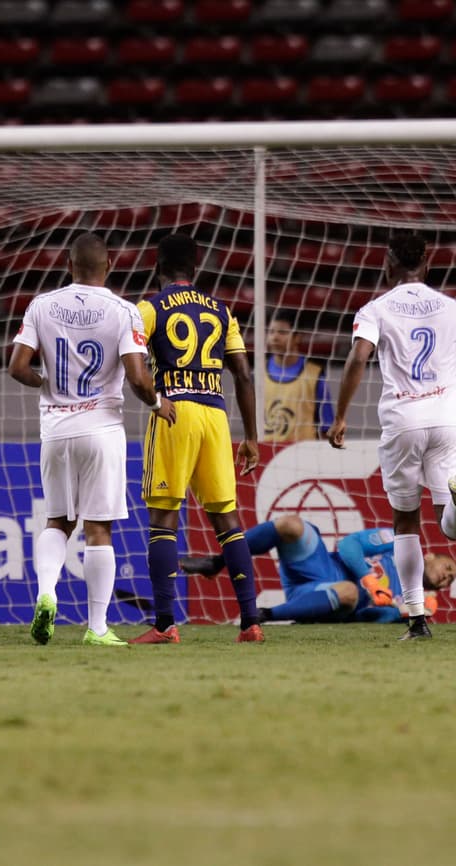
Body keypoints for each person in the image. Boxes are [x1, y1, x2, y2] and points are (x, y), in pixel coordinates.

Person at [9, 232, 177, 647]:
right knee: (99, 529)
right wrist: (158, 403)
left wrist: (44, 382)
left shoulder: (41, 305)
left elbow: (16, 367)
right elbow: (138, 377)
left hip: (56, 430)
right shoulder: (124, 311)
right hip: (102, 429)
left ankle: (47, 593)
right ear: (109, 267)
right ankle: (97, 628)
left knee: (58, 522)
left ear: (69, 266)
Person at [327, 231, 456, 641]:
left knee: (405, 521)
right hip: (447, 420)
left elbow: (358, 357)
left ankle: (417, 619)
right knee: (451, 528)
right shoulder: (451, 307)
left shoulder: (376, 308)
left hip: (403, 421)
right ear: (428, 264)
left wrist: (341, 415)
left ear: (388, 265)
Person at [132, 233, 263, 645]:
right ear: (196, 268)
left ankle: (165, 625)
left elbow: (134, 365)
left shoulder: (148, 308)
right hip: (216, 415)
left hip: (174, 410)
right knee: (228, 521)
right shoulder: (222, 311)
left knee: (163, 519)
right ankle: (251, 623)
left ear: (157, 268)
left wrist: (155, 400)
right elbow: (242, 374)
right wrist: (252, 437)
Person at [180, 516, 456, 624]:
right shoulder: (399, 545)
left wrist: (398, 612)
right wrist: (368, 579)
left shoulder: (417, 602)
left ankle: (261, 615)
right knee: (292, 525)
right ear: (430, 555)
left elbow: (369, 617)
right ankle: (217, 563)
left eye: (450, 579)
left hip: (331, 597)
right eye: (447, 567)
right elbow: (349, 545)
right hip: (320, 565)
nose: (447, 576)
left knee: (349, 592)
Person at [263, 308, 334, 442]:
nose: (274, 337)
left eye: (282, 332)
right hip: (265, 456)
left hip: (302, 455)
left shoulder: (314, 375)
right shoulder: (257, 374)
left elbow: (326, 427)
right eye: (271, 331)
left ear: (297, 337)